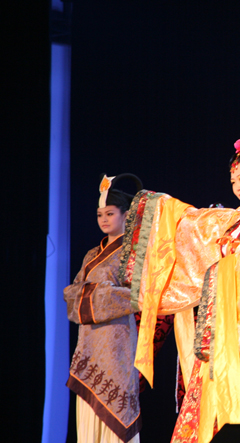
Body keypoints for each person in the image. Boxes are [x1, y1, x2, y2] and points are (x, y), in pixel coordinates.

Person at [120, 130, 240, 443]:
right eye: (233, 181)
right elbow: (199, 227)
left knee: (233, 407)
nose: (237, 186)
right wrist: (164, 211)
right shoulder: (238, 218)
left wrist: (229, 248)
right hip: (215, 329)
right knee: (200, 410)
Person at [65, 174, 144, 443]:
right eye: (100, 214)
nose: (104, 219)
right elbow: (71, 296)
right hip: (89, 340)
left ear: (126, 215)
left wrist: (92, 294)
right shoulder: (91, 254)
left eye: (110, 213)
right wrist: (102, 294)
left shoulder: (133, 253)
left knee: (115, 406)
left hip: (118, 339)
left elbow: (138, 294)